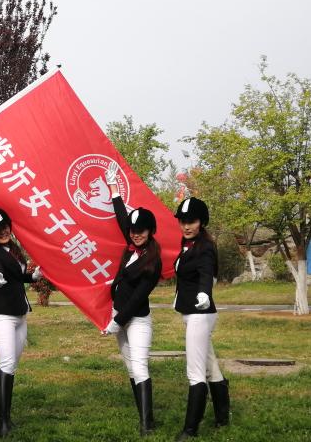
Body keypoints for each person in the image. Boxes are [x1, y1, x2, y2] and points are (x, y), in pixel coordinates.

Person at [103, 164, 162, 436]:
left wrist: (117, 321)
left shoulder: (153, 261)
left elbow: (139, 297)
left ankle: (146, 425)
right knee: (130, 367)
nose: (135, 233)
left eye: (141, 231)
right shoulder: (131, 248)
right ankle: (145, 415)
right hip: (119, 316)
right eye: (133, 231)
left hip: (136, 319)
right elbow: (121, 218)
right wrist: (114, 189)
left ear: (150, 232)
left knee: (140, 364)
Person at [172, 197, 230, 441]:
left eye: (192, 222)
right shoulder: (188, 244)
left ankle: (190, 430)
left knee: (195, 372)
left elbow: (207, 271)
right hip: (194, 313)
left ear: (201, 222)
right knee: (211, 365)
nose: (186, 226)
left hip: (200, 313)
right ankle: (223, 418)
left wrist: (205, 292)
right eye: (183, 221)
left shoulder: (205, 246)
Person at [0, 207, 42, 438]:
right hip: (3, 316)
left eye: (5, 227)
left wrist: (31, 277)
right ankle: (2, 421)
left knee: (11, 365)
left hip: (20, 315)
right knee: (7, 362)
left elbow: (17, 275)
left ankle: (5, 413)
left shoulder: (14, 249)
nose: (3, 232)